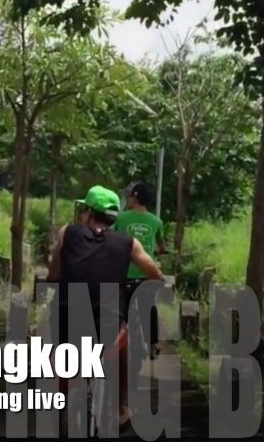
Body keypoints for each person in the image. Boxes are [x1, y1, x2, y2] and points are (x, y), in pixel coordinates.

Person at [47, 185, 163, 428]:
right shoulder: (128, 243)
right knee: (125, 343)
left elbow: (54, 272)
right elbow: (154, 273)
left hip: (67, 320)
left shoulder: (67, 232)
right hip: (107, 326)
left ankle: (59, 400)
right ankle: (121, 409)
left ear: (87, 213)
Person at [114, 182, 166, 357]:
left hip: (122, 275)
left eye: (129, 196)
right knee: (150, 308)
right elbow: (161, 245)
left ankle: (116, 343)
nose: (127, 199)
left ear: (134, 197)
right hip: (146, 276)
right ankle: (152, 344)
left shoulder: (121, 219)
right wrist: (159, 251)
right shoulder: (156, 221)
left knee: (119, 312)